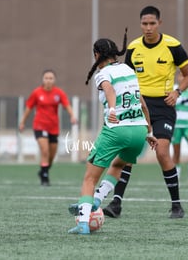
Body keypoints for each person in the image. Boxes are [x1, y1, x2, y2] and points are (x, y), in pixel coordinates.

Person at [103, 5, 188, 219]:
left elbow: (187, 75)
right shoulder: (133, 48)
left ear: (159, 23)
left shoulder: (173, 46)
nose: (148, 28)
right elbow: (126, 78)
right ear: (140, 24)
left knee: (162, 152)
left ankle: (176, 205)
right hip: (137, 105)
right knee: (128, 153)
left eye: (152, 23)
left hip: (163, 107)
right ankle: (116, 204)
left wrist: (177, 91)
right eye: (144, 24)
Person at [67, 31, 157, 235]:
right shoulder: (127, 68)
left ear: (97, 54)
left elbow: (109, 90)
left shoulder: (103, 74)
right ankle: (97, 200)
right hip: (139, 131)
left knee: (89, 178)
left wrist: (114, 109)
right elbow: (142, 103)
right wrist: (149, 132)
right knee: (118, 165)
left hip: (117, 129)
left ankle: (82, 223)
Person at [19, 69, 77, 186]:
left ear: (54, 80)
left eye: (51, 78)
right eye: (46, 78)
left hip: (54, 128)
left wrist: (72, 116)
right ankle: (45, 178)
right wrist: (22, 122)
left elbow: (67, 105)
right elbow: (29, 109)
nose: (48, 80)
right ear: (43, 79)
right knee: (44, 151)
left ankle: (43, 171)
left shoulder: (59, 93)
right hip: (40, 126)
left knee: (51, 156)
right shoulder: (37, 93)